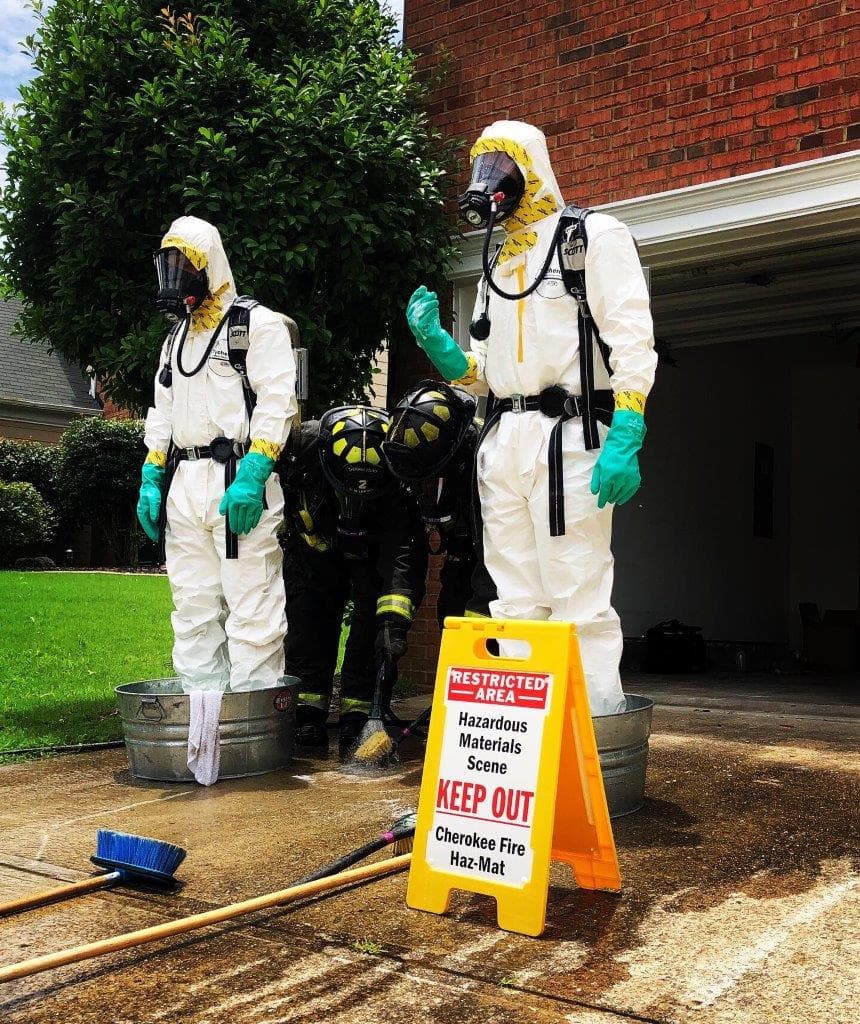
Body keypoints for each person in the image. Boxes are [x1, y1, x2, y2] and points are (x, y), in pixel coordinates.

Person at [405, 121, 656, 715]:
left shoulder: (590, 237)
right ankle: (525, 739)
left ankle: (592, 733)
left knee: (577, 591)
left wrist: (627, 430)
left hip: (570, 436)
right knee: (514, 597)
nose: (488, 179)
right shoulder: (498, 262)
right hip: (504, 441)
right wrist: (443, 349)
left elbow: (631, 339)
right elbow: (486, 372)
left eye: (501, 165)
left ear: (532, 168)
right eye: (482, 165)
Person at [137, 215, 296, 693]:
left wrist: (255, 471)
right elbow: (162, 411)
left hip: (238, 476)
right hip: (185, 483)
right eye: (169, 264)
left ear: (210, 265)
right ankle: (201, 720)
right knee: (193, 609)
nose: (176, 275)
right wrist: (151, 475)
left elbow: (277, 400)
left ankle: (252, 722)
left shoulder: (256, 325)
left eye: (186, 264)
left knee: (253, 606)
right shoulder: (175, 340)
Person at [280, 406, 427, 751]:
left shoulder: (398, 478)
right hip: (315, 552)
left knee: (371, 631)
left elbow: (402, 555)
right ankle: (307, 715)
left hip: (371, 556)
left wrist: (394, 625)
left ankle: (358, 719)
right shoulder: (304, 456)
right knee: (309, 623)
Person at [382, 380, 496, 626]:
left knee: (481, 618)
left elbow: (498, 545)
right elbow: (405, 547)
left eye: (432, 479)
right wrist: (393, 626)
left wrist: (480, 612)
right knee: (450, 613)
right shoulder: (410, 463)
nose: (427, 486)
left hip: (494, 567)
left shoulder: (485, 459)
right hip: (458, 557)